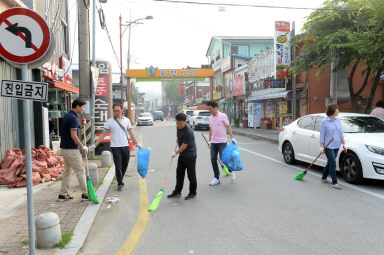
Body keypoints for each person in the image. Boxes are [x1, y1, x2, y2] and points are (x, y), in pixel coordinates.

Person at [90, 103, 140, 191]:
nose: (116, 113)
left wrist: (136, 143)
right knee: (118, 165)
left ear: (122, 110)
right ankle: (120, 183)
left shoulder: (126, 121)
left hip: (125, 146)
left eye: (118, 111)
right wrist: (95, 144)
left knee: (125, 165)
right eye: (115, 111)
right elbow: (103, 134)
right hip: (115, 147)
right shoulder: (110, 121)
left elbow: (131, 133)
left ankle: (120, 177)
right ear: (113, 111)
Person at [58, 98, 89, 201]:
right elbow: (73, 135)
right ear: (78, 106)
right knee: (80, 170)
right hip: (71, 149)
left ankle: (63, 194)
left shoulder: (68, 115)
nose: (83, 109)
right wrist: (82, 146)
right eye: (83, 107)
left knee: (67, 172)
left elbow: (71, 129)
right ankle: (86, 194)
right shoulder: (72, 118)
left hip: (64, 148)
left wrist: (81, 125)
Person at [167, 113, 197, 200]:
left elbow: (184, 146)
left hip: (190, 155)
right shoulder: (178, 127)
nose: (178, 125)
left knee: (191, 175)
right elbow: (179, 135)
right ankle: (177, 192)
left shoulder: (189, 131)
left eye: (180, 123)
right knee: (179, 173)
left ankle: (193, 193)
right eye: (177, 123)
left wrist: (175, 153)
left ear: (185, 122)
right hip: (182, 155)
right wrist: (178, 138)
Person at [206, 101, 236, 185]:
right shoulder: (210, 118)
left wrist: (232, 138)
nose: (209, 111)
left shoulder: (223, 116)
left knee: (224, 159)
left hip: (222, 142)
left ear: (215, 107)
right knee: (213, 159)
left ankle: (231, 170)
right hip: (213, 142)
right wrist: (209, 140)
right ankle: (216, 178)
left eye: (210, 109)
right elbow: (211, 129)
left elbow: (228, 127)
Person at [319, 104, 345, 190]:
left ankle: (323, 177)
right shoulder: (324, 122)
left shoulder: (338, 121)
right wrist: (321, 148)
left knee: (330, 162)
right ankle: (335, 182)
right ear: (333, 111)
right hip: (328, 146)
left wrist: (344, 144)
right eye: (337, 109)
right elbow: (322, 136)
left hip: (337, 145)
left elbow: (341, 134)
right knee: (333, 163)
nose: (338, 111)